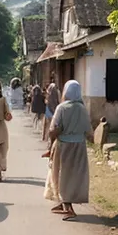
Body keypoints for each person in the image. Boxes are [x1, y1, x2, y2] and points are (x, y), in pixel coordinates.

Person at [43, 80, 94, 221]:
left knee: (60, 174)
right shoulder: (83, 108)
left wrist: (50, 147)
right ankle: (63, 203)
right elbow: (89, 131)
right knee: (74, 175)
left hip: (63, 146)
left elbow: (53, 130)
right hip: (79, 146)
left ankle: (68, 207)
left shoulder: (62, 108)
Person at [43, 76, 60, 140]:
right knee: (52, 125)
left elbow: (46, 101)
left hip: (49, 111)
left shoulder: (48, 93)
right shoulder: (57, 92)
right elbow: (59, 101)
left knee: (48, 125)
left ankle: (46, 138)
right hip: (54, 111)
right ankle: (50, 138)